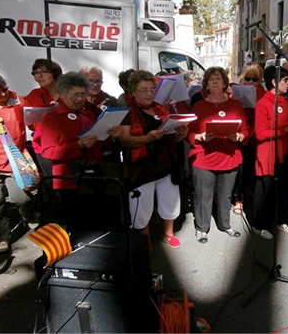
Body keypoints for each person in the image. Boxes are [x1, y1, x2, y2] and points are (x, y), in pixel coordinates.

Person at [37, 72, 121, 231]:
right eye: (75, 94)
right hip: (70, 180)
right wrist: (78, 146)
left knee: (99, 223)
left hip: (95, 175)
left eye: (83, 94)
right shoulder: (52, 117)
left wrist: (113, 138)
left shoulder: (89, 113)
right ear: (61, 93)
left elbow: (102, 144)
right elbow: (48, 152)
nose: (80, 99)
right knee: (78, 227)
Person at [119, 70, 188, 249]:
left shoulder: (161, 109)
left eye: (152, 90)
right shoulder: (128, 111)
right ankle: (145, 236)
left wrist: (180, 135)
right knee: (142, 204)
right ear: (133, 91)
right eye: (144, 90)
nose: (149, 94)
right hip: (141, 165)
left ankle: (169, 232)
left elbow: (170, 137)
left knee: (170, 199)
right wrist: (148, 138)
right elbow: (125, 140)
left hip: (165, 163)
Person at [186, 67, 249, 244]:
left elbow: (245, 130)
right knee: (202, 196)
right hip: (204, 157)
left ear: (225, 83)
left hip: (229, 155)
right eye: (211, 79)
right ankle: (202, 228)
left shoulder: (235, 105)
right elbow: (188, 132)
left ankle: (225, 225)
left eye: (219, 78)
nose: (215, 81)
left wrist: (239, 136)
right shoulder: (199, 106)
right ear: (205, 84)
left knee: (225, 195)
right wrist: (199, 137)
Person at [0, 71, 37, 252]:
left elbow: (35, 125)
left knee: (22, 197)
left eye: (5, 89)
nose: (3, 94)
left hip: (14, 161)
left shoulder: (20, 103)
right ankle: (2, 238)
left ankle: (30, 217)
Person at [253, 66, 288, 239]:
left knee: (283, 189)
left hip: (284, 152)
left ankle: (281, 220)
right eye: (285, 80)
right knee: (265, 191)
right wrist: (286, 130)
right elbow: (260, 134)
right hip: (268, 153)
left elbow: (285, 127)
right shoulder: (263, 103)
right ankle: (260, 225)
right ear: (274, 82)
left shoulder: (285, 101)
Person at [231, 64, 266, 215]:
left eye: (255, 79)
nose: (251, 82)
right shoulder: (237, 91)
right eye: (248, 78)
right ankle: (238, 199)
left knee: (251, 168)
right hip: (240, 134)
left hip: (255, 136)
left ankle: (248, 195)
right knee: (240, 169)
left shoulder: (263, 93)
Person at [21, 59, 63, 178]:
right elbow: (29, 123)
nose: (39, 76)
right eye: (36, 73)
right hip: (43, 145)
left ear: (55, 73)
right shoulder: (34, 94)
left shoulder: (68, 93)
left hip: (67, 144)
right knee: (51, 182)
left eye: (43, 72)